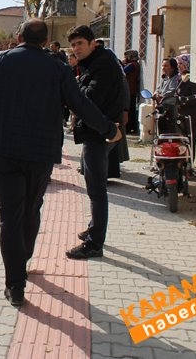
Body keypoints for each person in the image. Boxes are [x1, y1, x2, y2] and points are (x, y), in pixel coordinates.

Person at [0, 19, 121, 308]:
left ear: (19, 37)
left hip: (5, 150)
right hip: (41, 153)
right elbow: (81, 104)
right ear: (45, 41)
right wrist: (108, 129)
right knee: (31, 209)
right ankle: (23, 261)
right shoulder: (58, 68)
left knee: (9, 217)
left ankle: (15, 284)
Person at [66, 25, 127, 260]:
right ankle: (94, 229)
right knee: (93, 184)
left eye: (80, 43)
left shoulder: (102, 65)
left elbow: (88, 99)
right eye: (73, 45)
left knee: (96, 191)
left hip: (99, 133)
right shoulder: (98, 61)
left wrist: (74, 92)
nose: (76, 49)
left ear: (93, 43)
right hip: (100, 130)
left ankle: (95, 243)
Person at [175, 54, 196, 156]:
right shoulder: (181, 78)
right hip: (180, 113)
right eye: (178, 64)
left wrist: (182, 100)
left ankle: (189, 164)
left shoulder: (194, 79)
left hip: (191, 115)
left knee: (190, 140)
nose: (179, 66)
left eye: (181, 64)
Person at [123, 50, 141, 134]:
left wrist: (121, 63)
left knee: (129, 110)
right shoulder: (134, 64)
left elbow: (123, 71)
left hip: (130, 91)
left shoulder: (132, 65)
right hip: (131, 91)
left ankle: (129, 127)